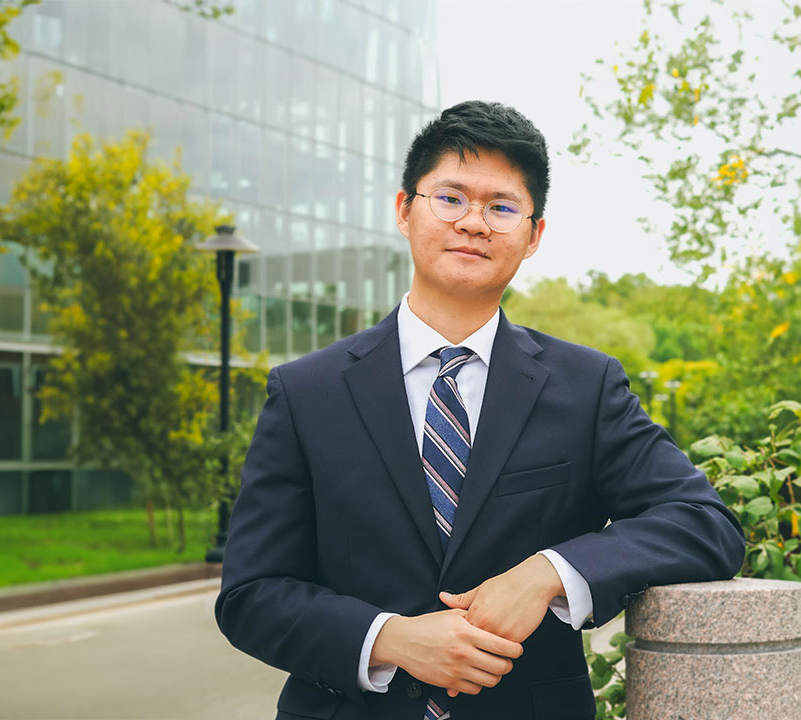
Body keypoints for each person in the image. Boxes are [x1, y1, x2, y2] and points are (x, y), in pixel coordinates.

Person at [215, 100, 746, 720]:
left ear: (533, 234)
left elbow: (704, 521)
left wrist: (549, 571)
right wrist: (389, 639)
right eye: (450, 198)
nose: (474, 222)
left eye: (501, 207)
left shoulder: (585, 386)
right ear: (404, 210)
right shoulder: (307, 393)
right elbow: (252, 593)